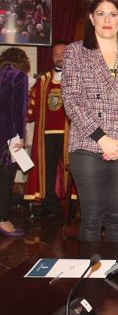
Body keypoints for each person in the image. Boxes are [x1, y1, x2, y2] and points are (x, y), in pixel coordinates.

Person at [63, 0, 118, 242]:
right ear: (91, 18)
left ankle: (113, 278)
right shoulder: (75, 52)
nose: (106, 19)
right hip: (88, 145)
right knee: (92, 217)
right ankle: (90, 279)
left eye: (113, 14)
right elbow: (72, 101)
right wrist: (103, 139)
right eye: (100, 13)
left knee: (116, 218)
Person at [24, 41, 69, 217]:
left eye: (62, 54)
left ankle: (70, 207)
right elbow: (30, 112)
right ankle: (50, 206)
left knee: (72, 171)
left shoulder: (78, 80)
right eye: (55, 54)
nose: (59, 57)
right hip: (46, 134)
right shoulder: (42, 82)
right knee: (48, 171)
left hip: (70, 135)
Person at [0, 48, 29, 237]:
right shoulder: (18, 76)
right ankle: (2, 220)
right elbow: (20, 108)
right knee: (5, 178)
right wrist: (20, 136)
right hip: (7, 134)